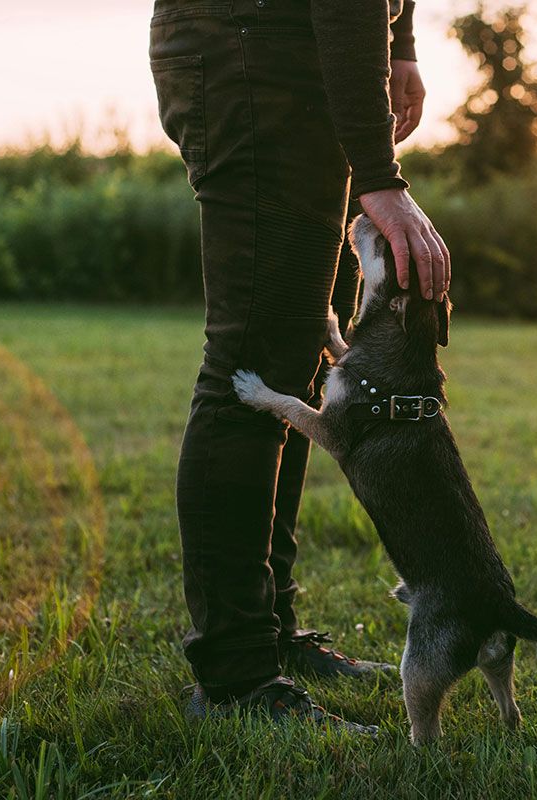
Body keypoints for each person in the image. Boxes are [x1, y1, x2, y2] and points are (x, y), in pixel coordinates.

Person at [149, 0, 449, 731]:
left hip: (298, 50)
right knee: (252, 371)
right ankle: (235, 676)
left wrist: (399, 39)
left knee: (298, 367)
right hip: (252, 51)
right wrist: (380, 174)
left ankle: (271, 632)